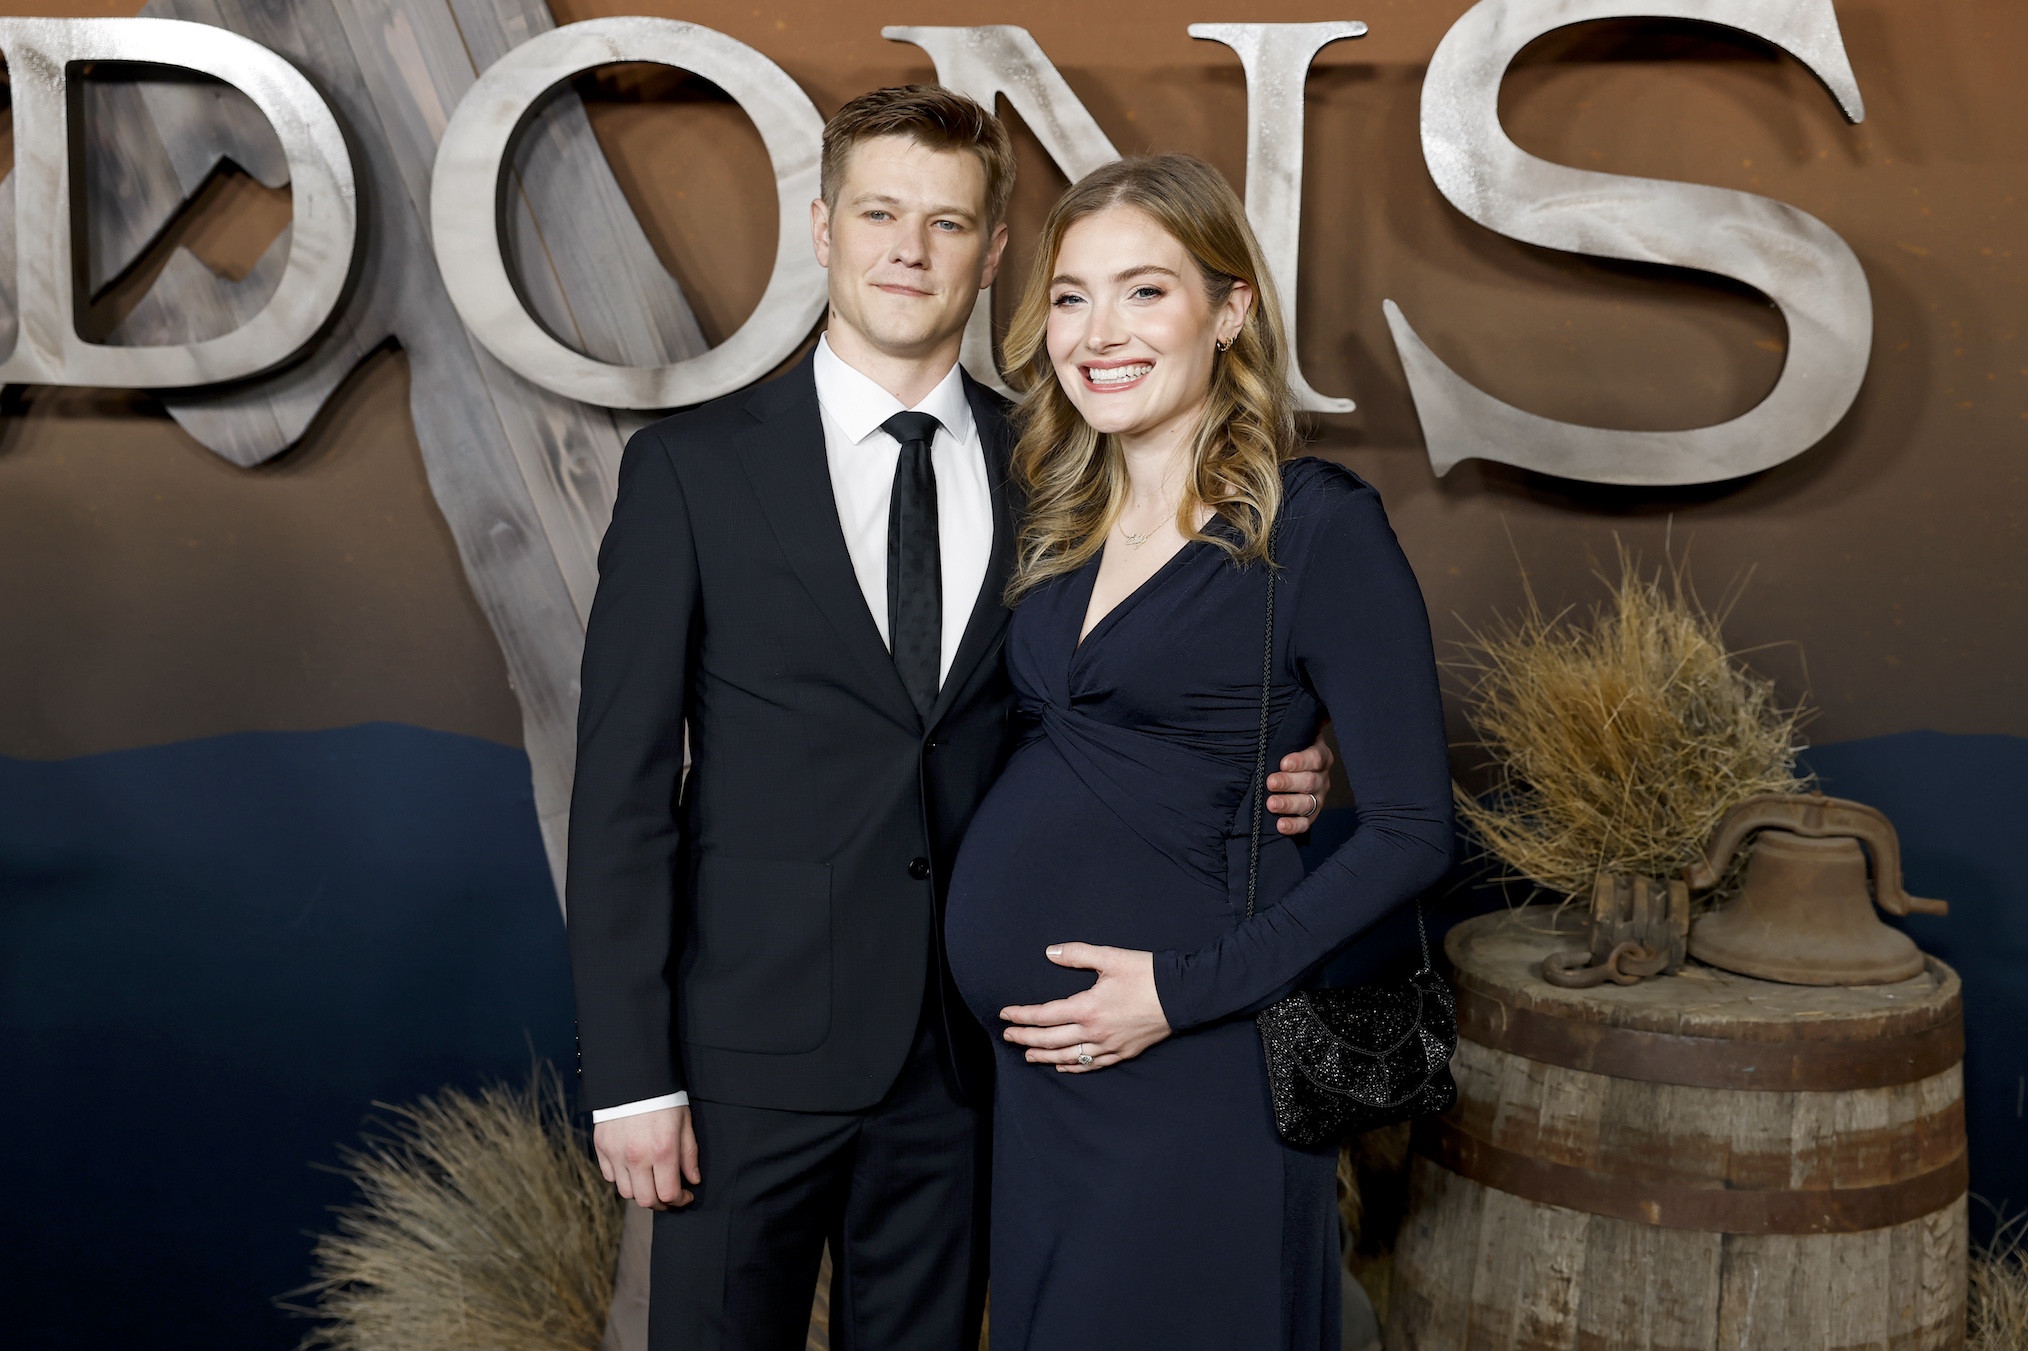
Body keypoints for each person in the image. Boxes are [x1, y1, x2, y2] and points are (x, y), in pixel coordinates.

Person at [565, 90, 1335, 1351]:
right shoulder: (694, 471)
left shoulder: (1065, 470)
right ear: (822, 227)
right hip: (744, 1060)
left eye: (947, 220)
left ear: (993, 254)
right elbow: (621, 798)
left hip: (974, 1061)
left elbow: (1132, 699)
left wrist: (1287, 753)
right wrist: (632, 1077)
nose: (909, 249)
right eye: (878, 212)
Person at [945, 154, 1455, 1350]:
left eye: (1144, 292)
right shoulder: (1056, 513)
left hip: (1194, 1061)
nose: (1097, 331)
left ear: (1229, 312)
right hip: (1042, 1077)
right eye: (1070, 296)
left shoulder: (1318, 524)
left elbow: (1414, 829)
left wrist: (1180, 992)